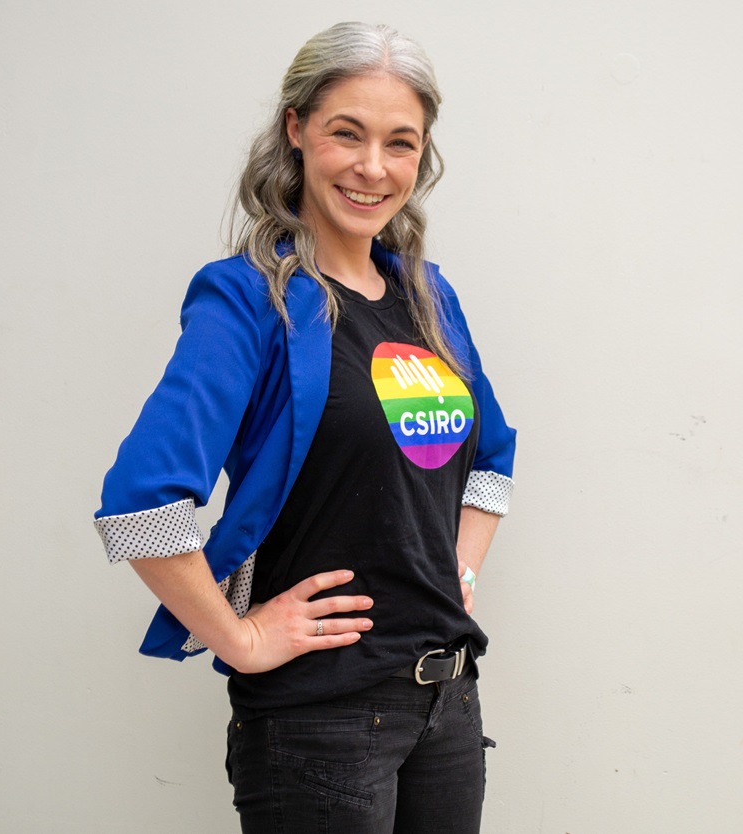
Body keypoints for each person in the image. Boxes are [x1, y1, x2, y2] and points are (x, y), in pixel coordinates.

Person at [94, 21, 516, 834]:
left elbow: (492, 458)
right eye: (345, 133)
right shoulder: (247, 299)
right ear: (296, 130)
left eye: (400, 142)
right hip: (323, 726)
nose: (372, 167)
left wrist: (454, 571)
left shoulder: (429, 298)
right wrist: (243, 638)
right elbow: (140, 507)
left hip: (448, 705)